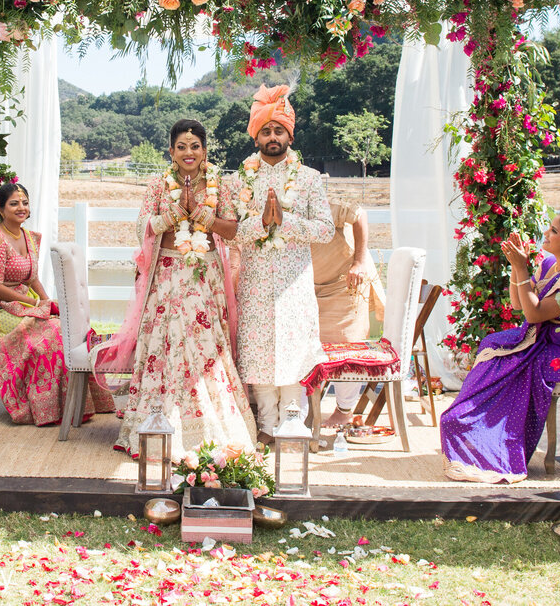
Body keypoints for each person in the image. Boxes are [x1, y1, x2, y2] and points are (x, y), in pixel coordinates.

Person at [102, 119, 257, 457]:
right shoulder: (158, 185)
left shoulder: (222, 185)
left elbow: (232, 231)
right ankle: (158, 425)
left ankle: (208, 429)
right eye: (182, 147)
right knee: (165, 344)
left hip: (204, 276)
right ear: (171, 151)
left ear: (205, 150)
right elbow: (141, 229)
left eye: (195, 146)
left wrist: (204, 218)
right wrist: (174, 214)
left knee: (205, 348)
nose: (189, 152)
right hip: (167, 276)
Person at [440, 211, 560, 483]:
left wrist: (523, 268)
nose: (546, 235)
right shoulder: (550, 262)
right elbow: (518, 304)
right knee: (493, 343)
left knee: (512, 365)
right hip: (544, 339)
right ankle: (469, 425)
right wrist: (517, 266)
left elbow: (533, 315)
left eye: (553, 231)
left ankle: (484, 435)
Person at [233, 85, 335, 443]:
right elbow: (229, 233)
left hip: (294, 285)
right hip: (256, 285)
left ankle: (293, 428)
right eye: (266, 130)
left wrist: (285, 224)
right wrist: (260, 224)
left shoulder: (308, 179)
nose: (272, 136)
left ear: (290, 134)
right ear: (255, 136)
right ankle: (264, 427)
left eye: (279, 130)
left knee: (293, 355)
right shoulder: (240, 179)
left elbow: (326, 229)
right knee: (259, 357)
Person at [0, 183, 114, 426]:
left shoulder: (29, 237)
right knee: (50, 337)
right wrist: (34, 302)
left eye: (24, 202)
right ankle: (47, 409)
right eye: (14, 203)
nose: (21, 208)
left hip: (24, 301)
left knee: (63, 330)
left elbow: (32, 278)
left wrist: (47, 302)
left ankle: (79, 405)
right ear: (1, 209)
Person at [311, 200, 386, 428]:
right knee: (309, 347)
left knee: (346, 345)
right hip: (311, 287)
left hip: (348, 280)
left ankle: (344, 411)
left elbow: (360, 214)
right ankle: (308, 410)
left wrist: (359, 262)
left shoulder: (320, 204)